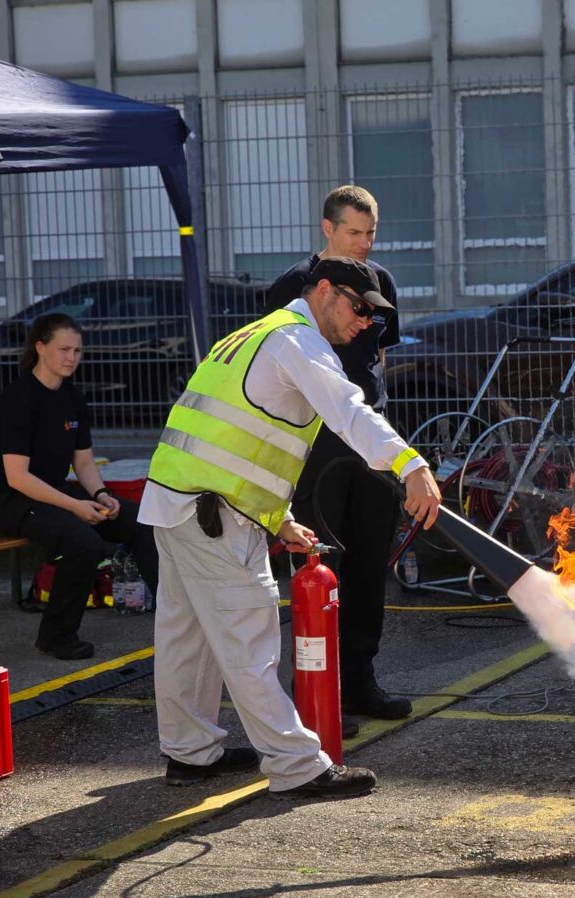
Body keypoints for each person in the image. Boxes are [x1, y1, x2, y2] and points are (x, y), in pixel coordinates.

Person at [140, 257, 442, 800]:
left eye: (373, 315)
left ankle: (190, 753)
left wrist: (280, 519)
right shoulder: (298, 342)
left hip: (177, 502)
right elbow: (350, 411)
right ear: (324, 290)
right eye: (357, 307)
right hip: (214, 515)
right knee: (250, 640)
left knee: (186, 640)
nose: (364, 322)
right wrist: (411, 466)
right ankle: (297, 765)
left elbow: (234, 441)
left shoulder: (252, 337)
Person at [265, 185, 410, 721]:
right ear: (327, 229)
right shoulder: (291, 288)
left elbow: (380, 358)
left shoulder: (381, 283)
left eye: (371, 233)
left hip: (368, 436)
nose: (365, 243)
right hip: (318, 443)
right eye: (354, 232)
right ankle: (316, 689)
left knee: (370, 562)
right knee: (322, 561)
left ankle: (360, 682)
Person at [0, 313, 159, 661]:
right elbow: (17, 477)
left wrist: (100, 495)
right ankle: (56, 636)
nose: (71, 358)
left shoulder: (72, 397)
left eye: (77, 351)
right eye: (63, 349)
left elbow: (85, 463)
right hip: (11, 499)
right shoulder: (16, 400)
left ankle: (172, 618)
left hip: (54, 491)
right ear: (40, 347)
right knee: (83, 543)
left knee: (141, 522)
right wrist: (76, 507)